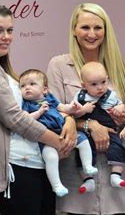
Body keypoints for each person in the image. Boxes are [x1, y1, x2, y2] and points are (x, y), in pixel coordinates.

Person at [47, 2, 125, 215]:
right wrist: (89, 123)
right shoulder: (59, 65)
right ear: (74, 30)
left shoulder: (118, 66)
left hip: (114, 167)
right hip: (77, 170)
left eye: (98, 27)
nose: (92, 33)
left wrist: (121, 116)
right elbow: (54, 113)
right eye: (85, 26)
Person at [0, 4, 67, 215]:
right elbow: (15, 118)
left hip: (36, 168)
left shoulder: (6, 72)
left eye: (9, 30)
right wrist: (57, 141)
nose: (5, 36)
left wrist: (68, 122)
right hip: (16, 170)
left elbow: (43, 107)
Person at [19, 69, 98, 197]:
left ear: (45, 89)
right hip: (45, 139)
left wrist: (72, 108)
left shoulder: (49, 97)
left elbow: (62, 107)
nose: (27, 88)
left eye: (32, 84)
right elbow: (26, 119)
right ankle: (56, 185)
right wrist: (39, 112)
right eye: (23, 86)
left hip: (62, 131)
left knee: (83, 140)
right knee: (51, 157)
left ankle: (87, 165)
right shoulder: (26, 104)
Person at [72, 61, 125, 193]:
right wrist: (83, 110)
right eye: (94, 84)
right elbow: (72, 115)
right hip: (86, 133)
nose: (100, 88)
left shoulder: (111, 95)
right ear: (83, 85)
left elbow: (120, 105)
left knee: (117, 148)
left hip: (110, 131)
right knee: (83, 152)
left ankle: (116, 175)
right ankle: (88, 179)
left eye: (103, 82)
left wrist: (120, 109)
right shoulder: (80, 97)